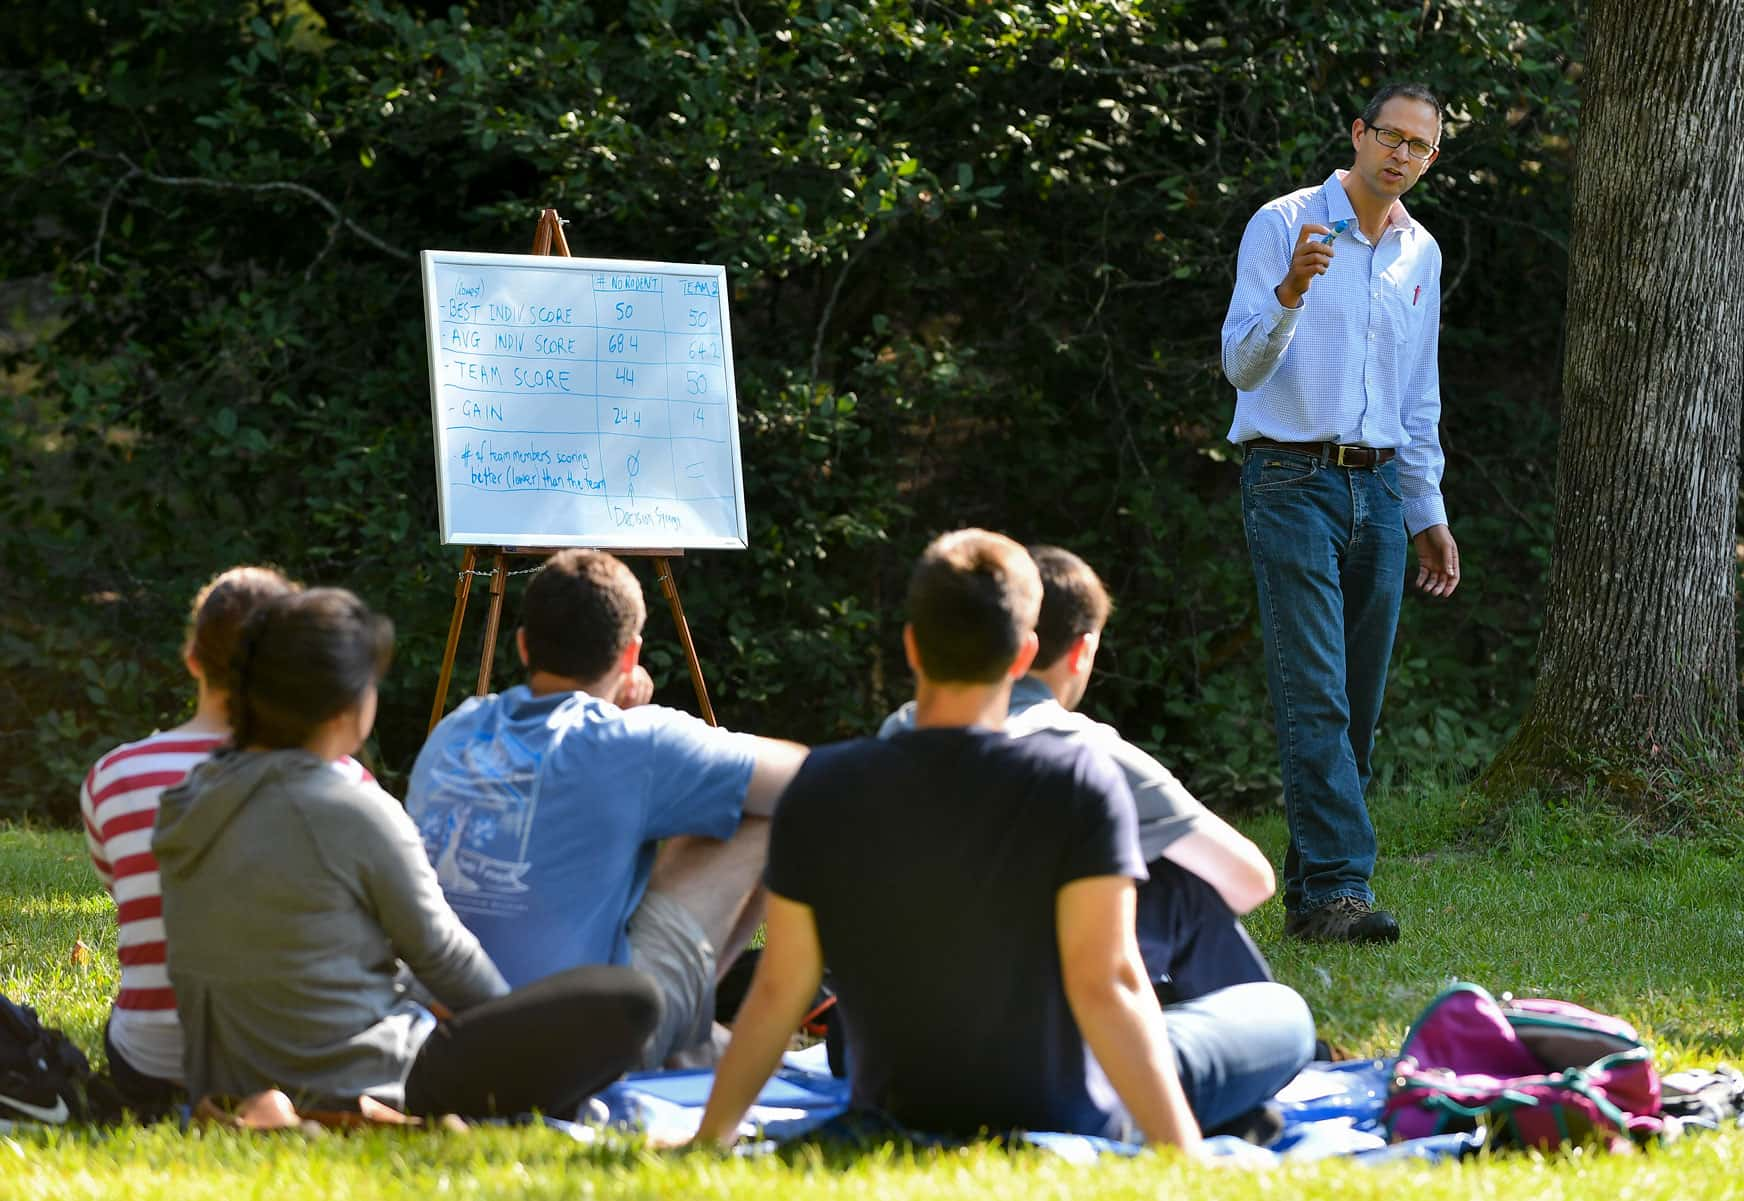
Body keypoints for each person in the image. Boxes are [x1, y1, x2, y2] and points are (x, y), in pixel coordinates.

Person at [695, 529, 1313, 1150]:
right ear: (1024, 656)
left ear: (912, 647)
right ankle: (1229, 1117)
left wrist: (710, 1137)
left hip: (900, 1096)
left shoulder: (820, 786)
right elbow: (1107, 987)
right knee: (1282, 1014)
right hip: (1070, 1102)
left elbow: (780, 988)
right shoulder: (1077, 777)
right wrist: (1182, 1157)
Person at [153, 588, 658, 1116]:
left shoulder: (190, 799)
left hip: (226, 1076)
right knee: (629, 1001)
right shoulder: (347, 807)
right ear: (346, 702)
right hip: (365, 1076)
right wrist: (514, 1037)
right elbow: (445, 957)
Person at [404, 549, 808, 1070]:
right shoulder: (636, 744)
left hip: (438, 1030)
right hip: (577, 1048)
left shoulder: (457, 728)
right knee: (758, 814)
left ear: (524, 646)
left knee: (712, 799)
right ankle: (681, 1032)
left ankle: (688, 1028)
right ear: (630, 655)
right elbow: (804, 777)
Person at [1220, 81, 1461, 945]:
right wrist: (1289, 293)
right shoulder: (1284, 225)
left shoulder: (1419, 254)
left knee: (1356, 702)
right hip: (1290, 481)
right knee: (1315, 692)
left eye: (1420, 146)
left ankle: (1311, 892)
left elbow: (1419, 393)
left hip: (1381, 490)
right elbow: (1241, 367)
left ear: (1431, 158)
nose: (1401, 155)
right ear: (1358, 135)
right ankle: (1337, 891)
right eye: (1389, 136)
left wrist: (1425, 507)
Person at [879, 545, 1276, 1001]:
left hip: (906, 1002)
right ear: (1083, 650)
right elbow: (1250, 881)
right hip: (1036, 1006)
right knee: (1183, 892)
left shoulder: (900, 728)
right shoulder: (1082, 749)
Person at [78, 566, 379, 1116]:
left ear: (193, 657)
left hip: (150, 1057)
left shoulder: (114, 776)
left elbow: (125, 889)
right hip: (297, 1052)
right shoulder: (343, 782)